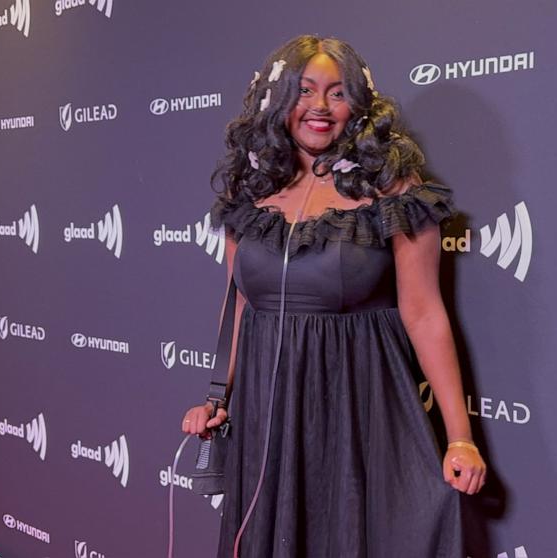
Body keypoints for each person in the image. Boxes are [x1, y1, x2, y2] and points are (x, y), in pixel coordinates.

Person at [181, 35, 486, 558]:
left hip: (359, 398)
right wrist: (217, 396)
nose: (319, 107)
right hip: (267, 406)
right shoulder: (247, 191)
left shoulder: (393, 189)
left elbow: (424, 313)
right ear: (277, 101)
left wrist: (459, 437)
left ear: (360, 105)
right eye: (303, 91)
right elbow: (241, 302)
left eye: (337, 93)